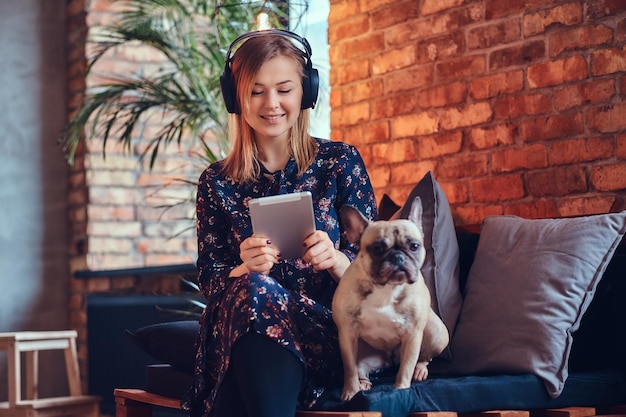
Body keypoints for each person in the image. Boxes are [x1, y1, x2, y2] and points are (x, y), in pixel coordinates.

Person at [181, 29, 377, 417]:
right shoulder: (215, 182)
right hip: (245, 322)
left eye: (284, 89)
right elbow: (210, 277)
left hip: (325, 334)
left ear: (306, 92)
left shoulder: (340, 163)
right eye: (256, 91)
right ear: (235, 98)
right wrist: (242, 268)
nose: (271, 103)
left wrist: (338, 261)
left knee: (251, 305)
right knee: (252, 290)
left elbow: (375, 277)